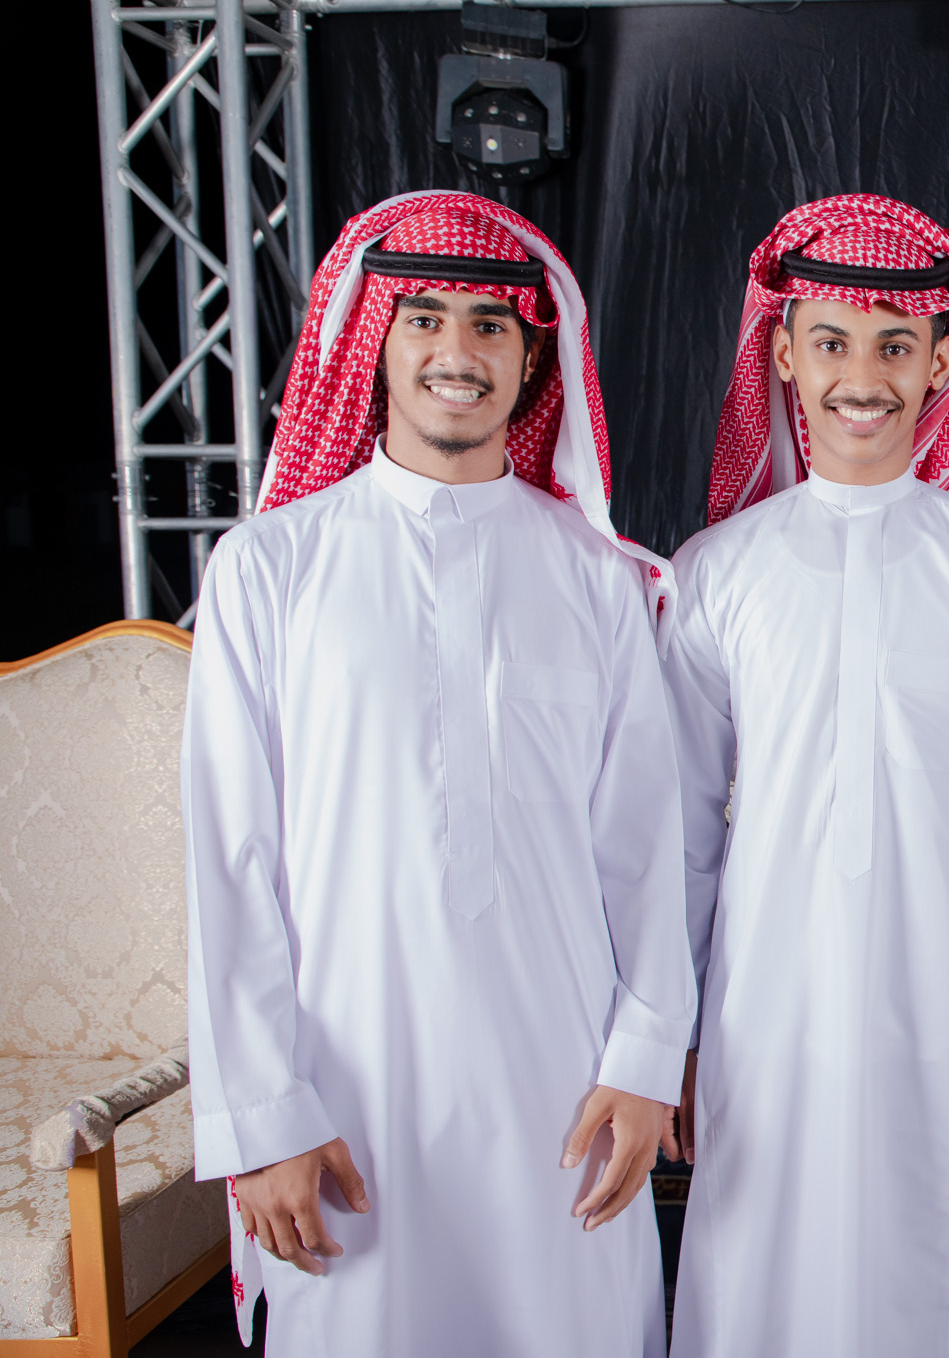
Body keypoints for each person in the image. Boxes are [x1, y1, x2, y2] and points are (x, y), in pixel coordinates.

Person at [182, 192, 693, 1357]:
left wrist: (646, 1063)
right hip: (347, 1094)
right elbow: (229, 863)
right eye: (423, 317)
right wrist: (263, 1116)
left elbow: (645, 849)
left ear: (530, 360)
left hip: (564, 1088)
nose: (456, 351)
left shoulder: (598, 578)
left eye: (489, 324)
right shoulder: (269, 568)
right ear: (374, 340)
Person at [665, 194, 949, 1358]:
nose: (862, 377)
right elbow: (679, 837)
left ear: (942, 360)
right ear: (784, 354)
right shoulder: (715, 571)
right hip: (756, 1024)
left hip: (942, 1025)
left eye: (894, 346)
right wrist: (672, 1039)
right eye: (831, 342)